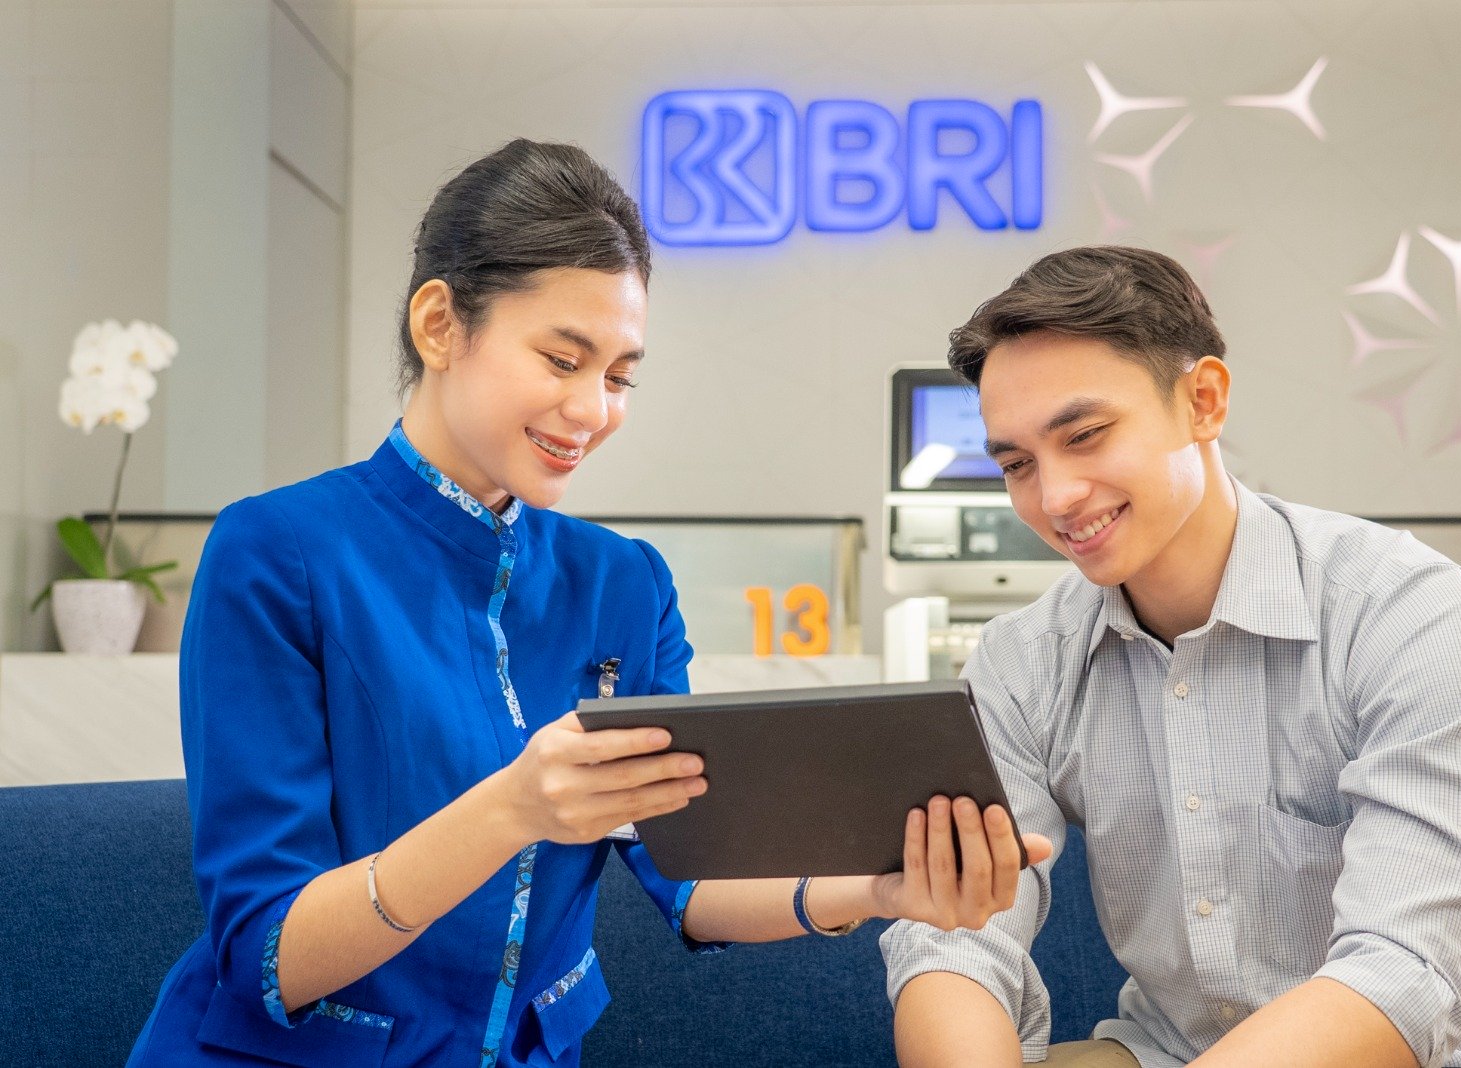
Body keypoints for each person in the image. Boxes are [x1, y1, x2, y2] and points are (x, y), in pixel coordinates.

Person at [128, 139, 1049, 1067]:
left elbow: (692, 876)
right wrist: (512, 809)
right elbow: (269, 955)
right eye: (562, 359)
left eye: (618, 376)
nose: (593, 409)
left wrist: (879, 890)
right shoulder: (276, 553)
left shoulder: (624, 584)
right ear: (440, 325)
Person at [883, 246, 1461, 1068]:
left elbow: (1402, 973)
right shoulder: (1023, 661)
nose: (1054, 498)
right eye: (1018, 465)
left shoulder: (1414, 615)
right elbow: (954, 933)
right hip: (1169, 1051)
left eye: (1085, 436)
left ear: (1203, 401)